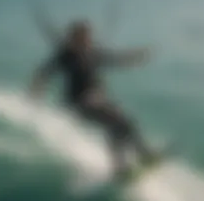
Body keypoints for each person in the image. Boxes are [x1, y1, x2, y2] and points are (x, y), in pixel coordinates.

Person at [30, 19, 157, 179]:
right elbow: (43, 72)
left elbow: (116, 59)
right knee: (116, 121)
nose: (86, 40)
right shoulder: (65, 56)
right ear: (72, 38)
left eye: (87, 37)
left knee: (124, 124)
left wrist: (137, 56)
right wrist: (35, 92)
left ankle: (136, 159)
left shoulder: (92, 53)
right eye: (81, 37)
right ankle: (126, 163)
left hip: (97, 100)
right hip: (78, 103)